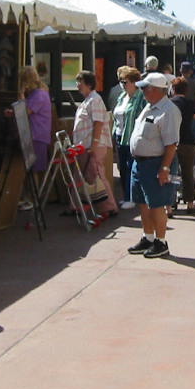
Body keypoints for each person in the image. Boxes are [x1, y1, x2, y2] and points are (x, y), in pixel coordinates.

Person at [126, 72, 181, 259]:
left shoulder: (169, 110)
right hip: (140, 163)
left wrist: (165, 168)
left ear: (156, 90)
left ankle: (161, 241)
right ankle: (148, 237)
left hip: (156, 163)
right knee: (143, 202)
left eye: (145, 88)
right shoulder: (149, 107)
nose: (142, 91)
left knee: (156, 204)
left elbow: (171, 144)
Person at [73, 70, 119, 216]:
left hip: (94, 145)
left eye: (80, 82)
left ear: (88, 84)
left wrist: (94, 144)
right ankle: (77, 206)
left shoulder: (95, 100)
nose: (77, 85)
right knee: (85, 175)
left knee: (97, 174)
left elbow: (98, 123)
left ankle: (110, 206)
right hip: (85, 144)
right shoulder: (88, 100)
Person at [170, 77, 195, 213]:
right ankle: (190, 203)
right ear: (186, 90)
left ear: (173, 89)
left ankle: (171, 202)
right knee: (188, 173)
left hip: (172, 142)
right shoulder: (190, 104)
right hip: (188, 141)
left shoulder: (169, 103)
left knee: (172, 173)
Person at [112, 66, 146, 209]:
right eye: (121, 82)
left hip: (133, 138)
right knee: (122, 168)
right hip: (120, 137)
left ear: (134, 82)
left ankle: (132, 198)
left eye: (125, 82)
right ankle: (126, 196)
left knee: (132, 168)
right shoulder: (122, 97)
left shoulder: (141, 98)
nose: (123, 85)